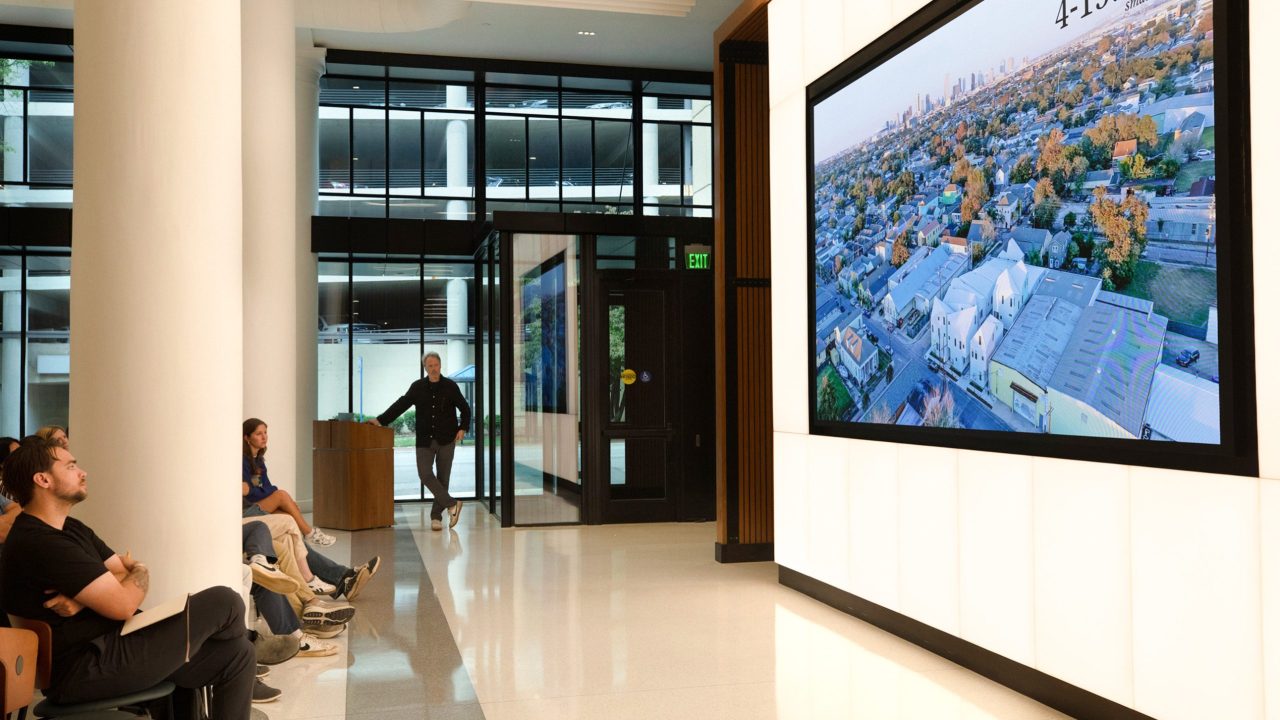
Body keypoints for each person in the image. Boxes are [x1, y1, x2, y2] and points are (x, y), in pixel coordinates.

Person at [0, 437, 256, 718]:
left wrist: (84, 600)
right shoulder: (40, 541)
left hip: (114, 647)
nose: (82, 472)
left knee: (238, 653)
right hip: (86, 667)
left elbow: (119, 573)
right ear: (43, 480)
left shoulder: (71, 528)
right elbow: (123, 603)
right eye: (71, 466)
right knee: (225, 601)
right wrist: (139, 570)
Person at [367, 351, 470, 531]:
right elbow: (401, 404)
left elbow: (465, 408)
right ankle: (452, 504)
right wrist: (381, 420)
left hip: (447, 439)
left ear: (440, 365)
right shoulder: (417, 387)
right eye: (429, 366)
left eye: (435, 365)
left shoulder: (451, 386)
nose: (433, 369)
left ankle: (436, 517)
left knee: (443, 478)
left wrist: (463, 427)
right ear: (425, 368)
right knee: (425, 474)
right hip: (425, 440)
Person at [242, 418, 336, 546]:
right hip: (248, 508)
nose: (264, 437)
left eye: (265, 432)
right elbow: (249, 493)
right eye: (259, 434)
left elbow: (266, 487)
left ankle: (304, 550)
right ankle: (310, 533)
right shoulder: (242, 461)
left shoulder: (259, 459)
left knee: (289, 515)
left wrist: (286, 503)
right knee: (281, 495)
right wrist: (274, 493)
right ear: (247, 437)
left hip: (258, 503)